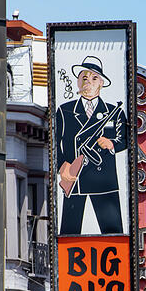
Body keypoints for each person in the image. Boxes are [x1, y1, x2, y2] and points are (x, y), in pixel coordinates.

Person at [55, 55, 128, 235]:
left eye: (94, 78)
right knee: (68, 236)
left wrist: (111, 144)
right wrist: (62, 167)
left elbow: (127, 139)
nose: (88, 82)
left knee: (114, 236)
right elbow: (55, 143)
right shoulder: (65, 110)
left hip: (104, 181)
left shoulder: (114, 111)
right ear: (78, 82)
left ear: (102, 83)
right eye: (84, 77)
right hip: (75, 179)